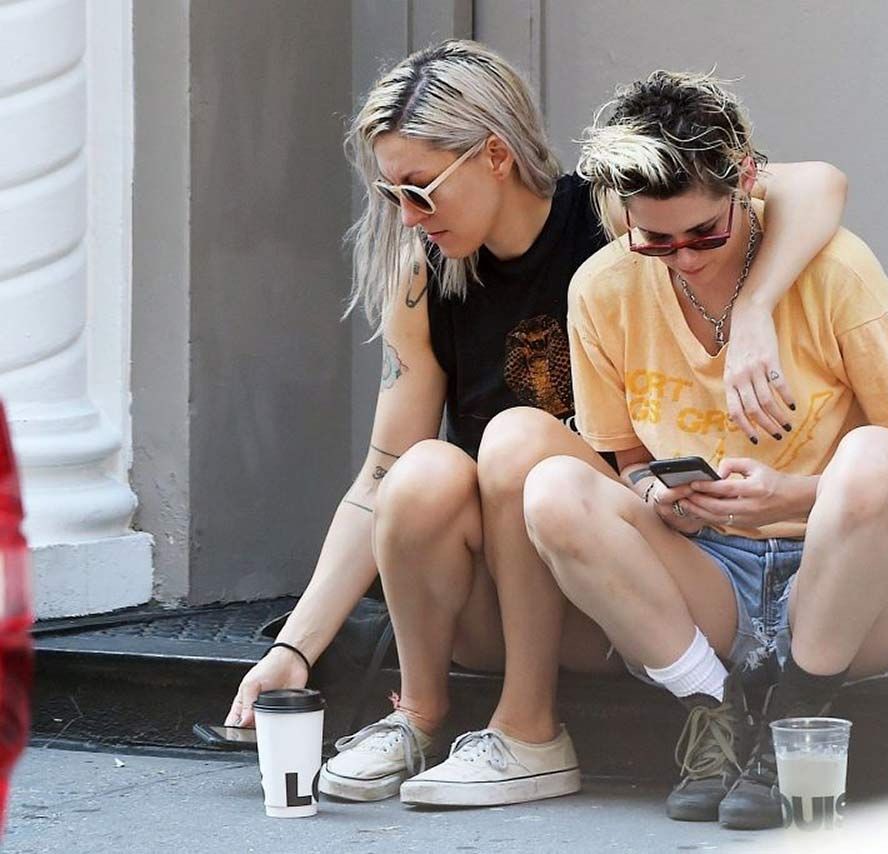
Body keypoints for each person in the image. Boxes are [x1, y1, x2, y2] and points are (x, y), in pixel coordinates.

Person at [222, 41, 850, 808]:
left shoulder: (611, 214)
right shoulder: (427, 275)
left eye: (420, 190)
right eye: (391, 195)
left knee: (517, 438)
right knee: (420, 474)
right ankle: (418, 716)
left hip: (624, 588)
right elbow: (376, 479)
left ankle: (529, 731)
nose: (406, 216)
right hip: (503, 607)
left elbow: (818, 184)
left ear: (494, 155)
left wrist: (754, 310)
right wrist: (295, 647)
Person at [522, 70, 888, 830]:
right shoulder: (602, 289)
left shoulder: (838, 272)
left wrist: (793, 496)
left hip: (843, 580)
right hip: (708, 575)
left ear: (745, 183)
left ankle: (793, 718)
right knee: (554, 486)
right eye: (656, 240)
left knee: (877, 453)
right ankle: (713, 710)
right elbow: (626, 460)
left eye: (704, 234)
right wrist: (658, 497)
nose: (684, 258)